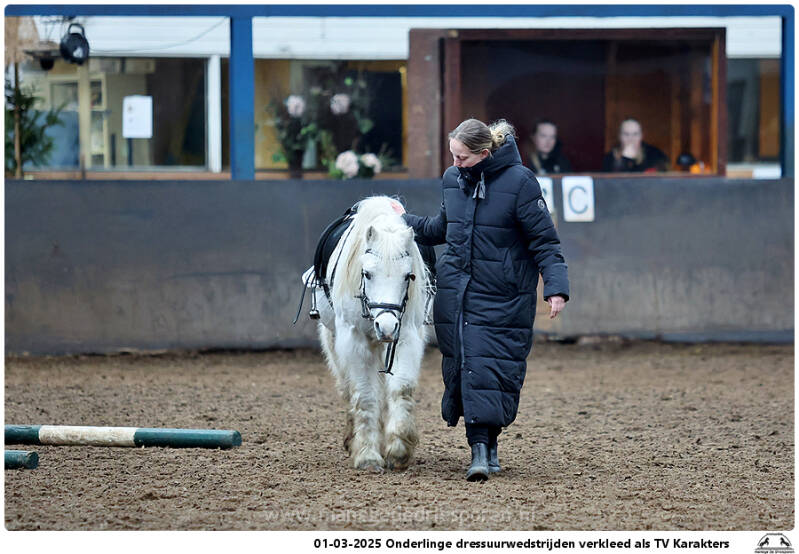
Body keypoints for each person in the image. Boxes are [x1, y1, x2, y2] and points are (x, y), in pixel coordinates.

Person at [392, 118, 569, 481]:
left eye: (461, 158)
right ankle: (480, 449)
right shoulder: (452, 180)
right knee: (467, 370)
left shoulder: (521, 183)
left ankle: (487, 446)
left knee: (494, 370)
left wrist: (556, 287)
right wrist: (402, 220)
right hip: (456, 296)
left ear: (484, 154)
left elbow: (545, 242)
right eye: (452, 156)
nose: (454, 164)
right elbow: (441, 229)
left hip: (504, 297)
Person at [601, 118, 669, 172]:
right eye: (626, 134)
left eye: (635, 134)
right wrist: (624, 159)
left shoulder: (654, 154)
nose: (631, 139)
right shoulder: (610, 158)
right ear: (620, 136)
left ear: (641, 136)